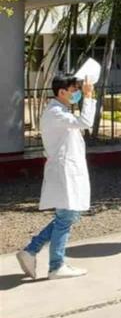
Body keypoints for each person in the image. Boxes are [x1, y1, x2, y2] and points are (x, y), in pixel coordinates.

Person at [16, 75, 96, 279]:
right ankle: (55, 265)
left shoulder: (59, 112)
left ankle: (32, 251)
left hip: (67, 170)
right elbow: (85, 121)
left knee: (68, 216)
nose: (77, 93)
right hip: (64, 172)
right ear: (62, 92)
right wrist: (88, 97)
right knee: (66, 217)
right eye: (74, 89)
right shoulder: (55, 113)